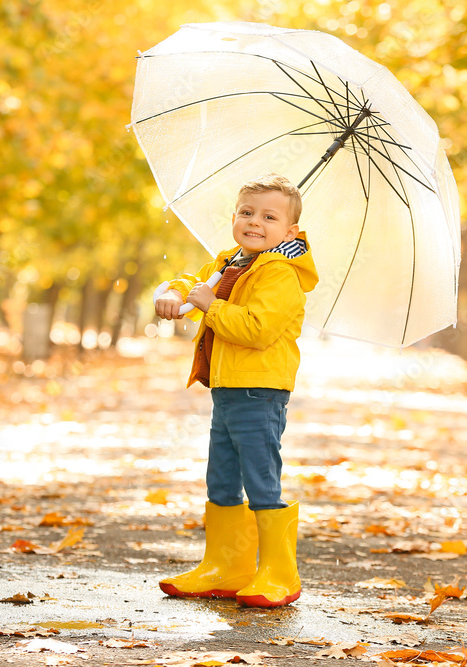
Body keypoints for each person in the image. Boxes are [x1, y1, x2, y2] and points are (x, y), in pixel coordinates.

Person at [153, 173, 318, 608]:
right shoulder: (232, 262)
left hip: (259, 390)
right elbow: (194, 279)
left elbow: (258, 330)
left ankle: (279, 573)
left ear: (290, 232)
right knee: (221, 477)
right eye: (247, 213)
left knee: (260, 478)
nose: (255, 222)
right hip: (226, 388)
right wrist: (172, 292)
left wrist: (211, 304)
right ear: (234, 217)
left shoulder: (280, 274)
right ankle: (225, 567)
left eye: (269, 216)